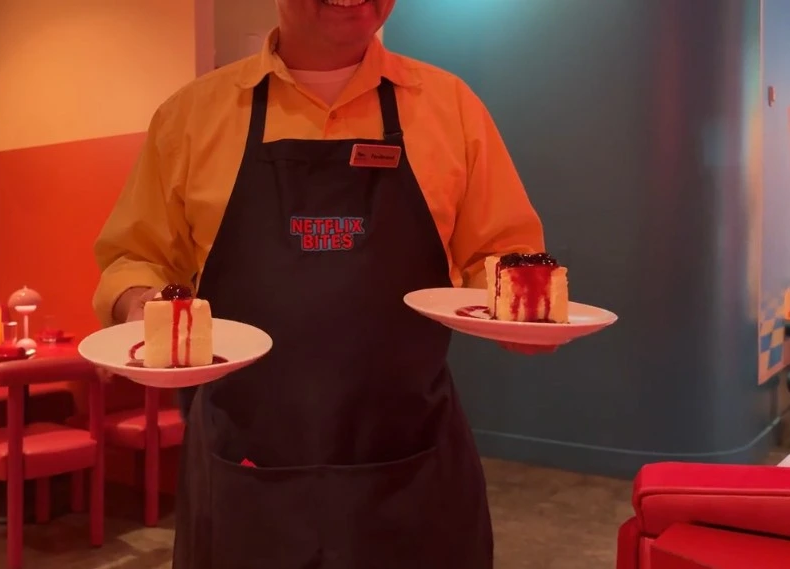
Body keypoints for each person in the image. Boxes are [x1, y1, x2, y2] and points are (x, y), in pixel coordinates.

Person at [93, 1, 548, 566]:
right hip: (247, 467)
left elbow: (496, 252)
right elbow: (134, 260)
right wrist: (145, 311)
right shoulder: (191, 115)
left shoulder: (450, 105)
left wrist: (522, 307)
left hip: (410, 463)